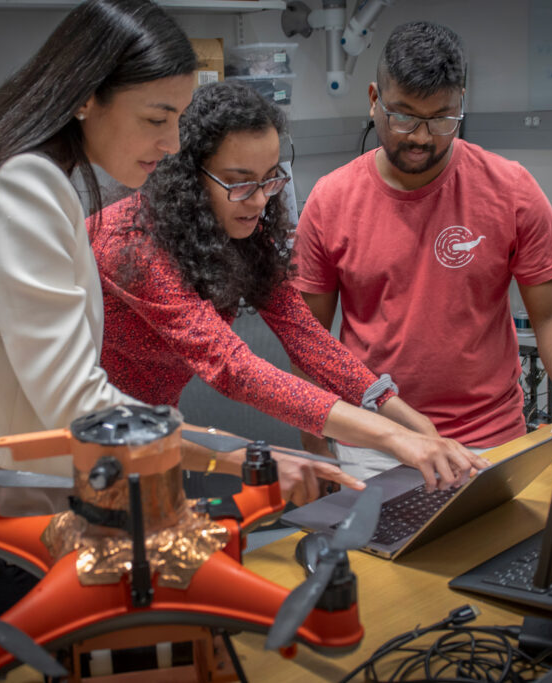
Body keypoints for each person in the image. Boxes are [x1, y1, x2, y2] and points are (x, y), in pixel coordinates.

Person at [0, 1, 338, 615]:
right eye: (157, 117)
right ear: (86, 97)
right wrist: (239, 458)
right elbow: (81, 407)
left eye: (178, 118)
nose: (172, 142)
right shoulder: (26, 187)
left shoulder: (3, 163)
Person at [90, 81, 488, 504]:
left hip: (149, 429)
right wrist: (390, 437)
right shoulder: (131, 245)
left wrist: (407, 417)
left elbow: (305, 335)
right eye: (240, 183)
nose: (260, 200)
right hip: (76, 433)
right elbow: (233, 368)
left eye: (270, 179)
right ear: (189, 178)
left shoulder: (240, 227)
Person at [291, 21, 552, 480]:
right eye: (404, 116)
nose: (422, 137)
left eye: (442, 118)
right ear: (373, 100)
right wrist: (314, 441)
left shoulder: (510, 188)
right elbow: (308, 338)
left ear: (462, 103)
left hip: (490, 438)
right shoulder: (331, 200)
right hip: (375, 442)